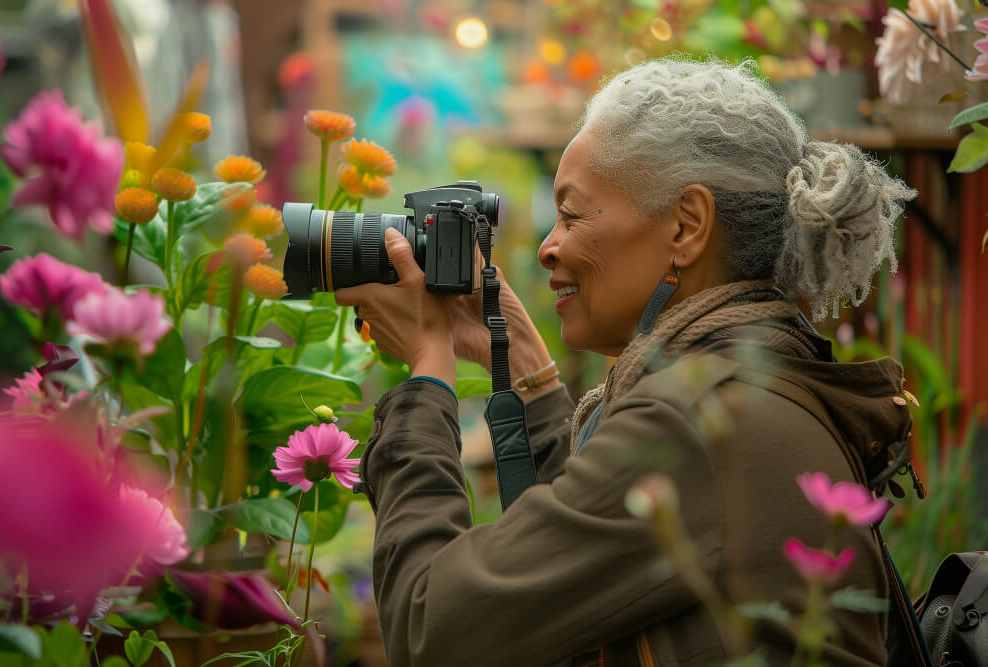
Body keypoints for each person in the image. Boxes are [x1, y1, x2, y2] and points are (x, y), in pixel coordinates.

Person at [335, 57, 918, 667]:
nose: (546, 247)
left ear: (687, 226)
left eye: (572, 213)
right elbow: (577, 560)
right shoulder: (752, 376)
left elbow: (430, 629)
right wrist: (529, 373)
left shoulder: (699, 419)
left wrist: (427, 374)